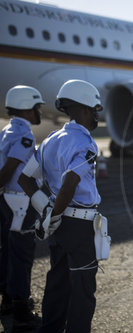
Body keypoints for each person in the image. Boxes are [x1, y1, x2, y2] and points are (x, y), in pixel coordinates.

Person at [18, 79, 104, 332]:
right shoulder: (86, 143)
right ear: (87, 109)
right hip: (78, 225)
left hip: (57, 224)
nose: (97, 116)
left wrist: (46, 211)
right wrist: (52, 215)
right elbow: (70, 182)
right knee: (83, 289)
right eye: (96, 110)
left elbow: (25, 178)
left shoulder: (49, 141)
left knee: (57, 281)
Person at [0, 85, 43, 330]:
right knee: (21, 255)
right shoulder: (23, 136)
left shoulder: (7, 130)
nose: (39, 111)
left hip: (6, 199)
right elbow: (10, 168)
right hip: (19, 200)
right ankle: (21, 308)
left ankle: (7, 299)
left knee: (7, 249)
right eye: (37, 107)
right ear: (27, 107)